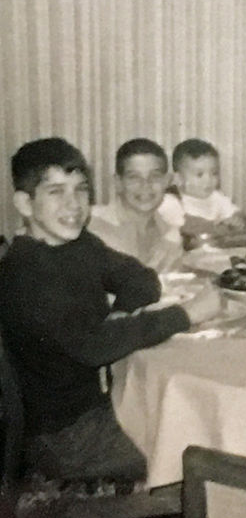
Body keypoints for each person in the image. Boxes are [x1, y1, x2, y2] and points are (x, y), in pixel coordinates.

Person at [0, 137, 221, 483]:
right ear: (25, 204)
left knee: (198, 416)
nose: (74, 205)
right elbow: (94, 346)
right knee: (205, 447)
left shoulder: (77, 244)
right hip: (66, 436)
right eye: (56, 192)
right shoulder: (28, 271)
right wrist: (186, 314)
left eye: (81, 190)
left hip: (102, 404)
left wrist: (119, 315)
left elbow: (141, 279)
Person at [89, 137, 183, 272]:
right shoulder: (91, 226)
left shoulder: (169, 235)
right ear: (118, 183)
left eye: (155, 176)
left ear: (166, 181)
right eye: (134, 177)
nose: (145, 185)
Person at [158, 137, 245, 232]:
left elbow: (236, 212)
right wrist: (217, 227)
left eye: (214, 173)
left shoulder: (216, 197)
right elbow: (186, 225)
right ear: (179, 179)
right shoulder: (171, 200)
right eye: (199, 175)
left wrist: (236, 219)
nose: (208, 180)